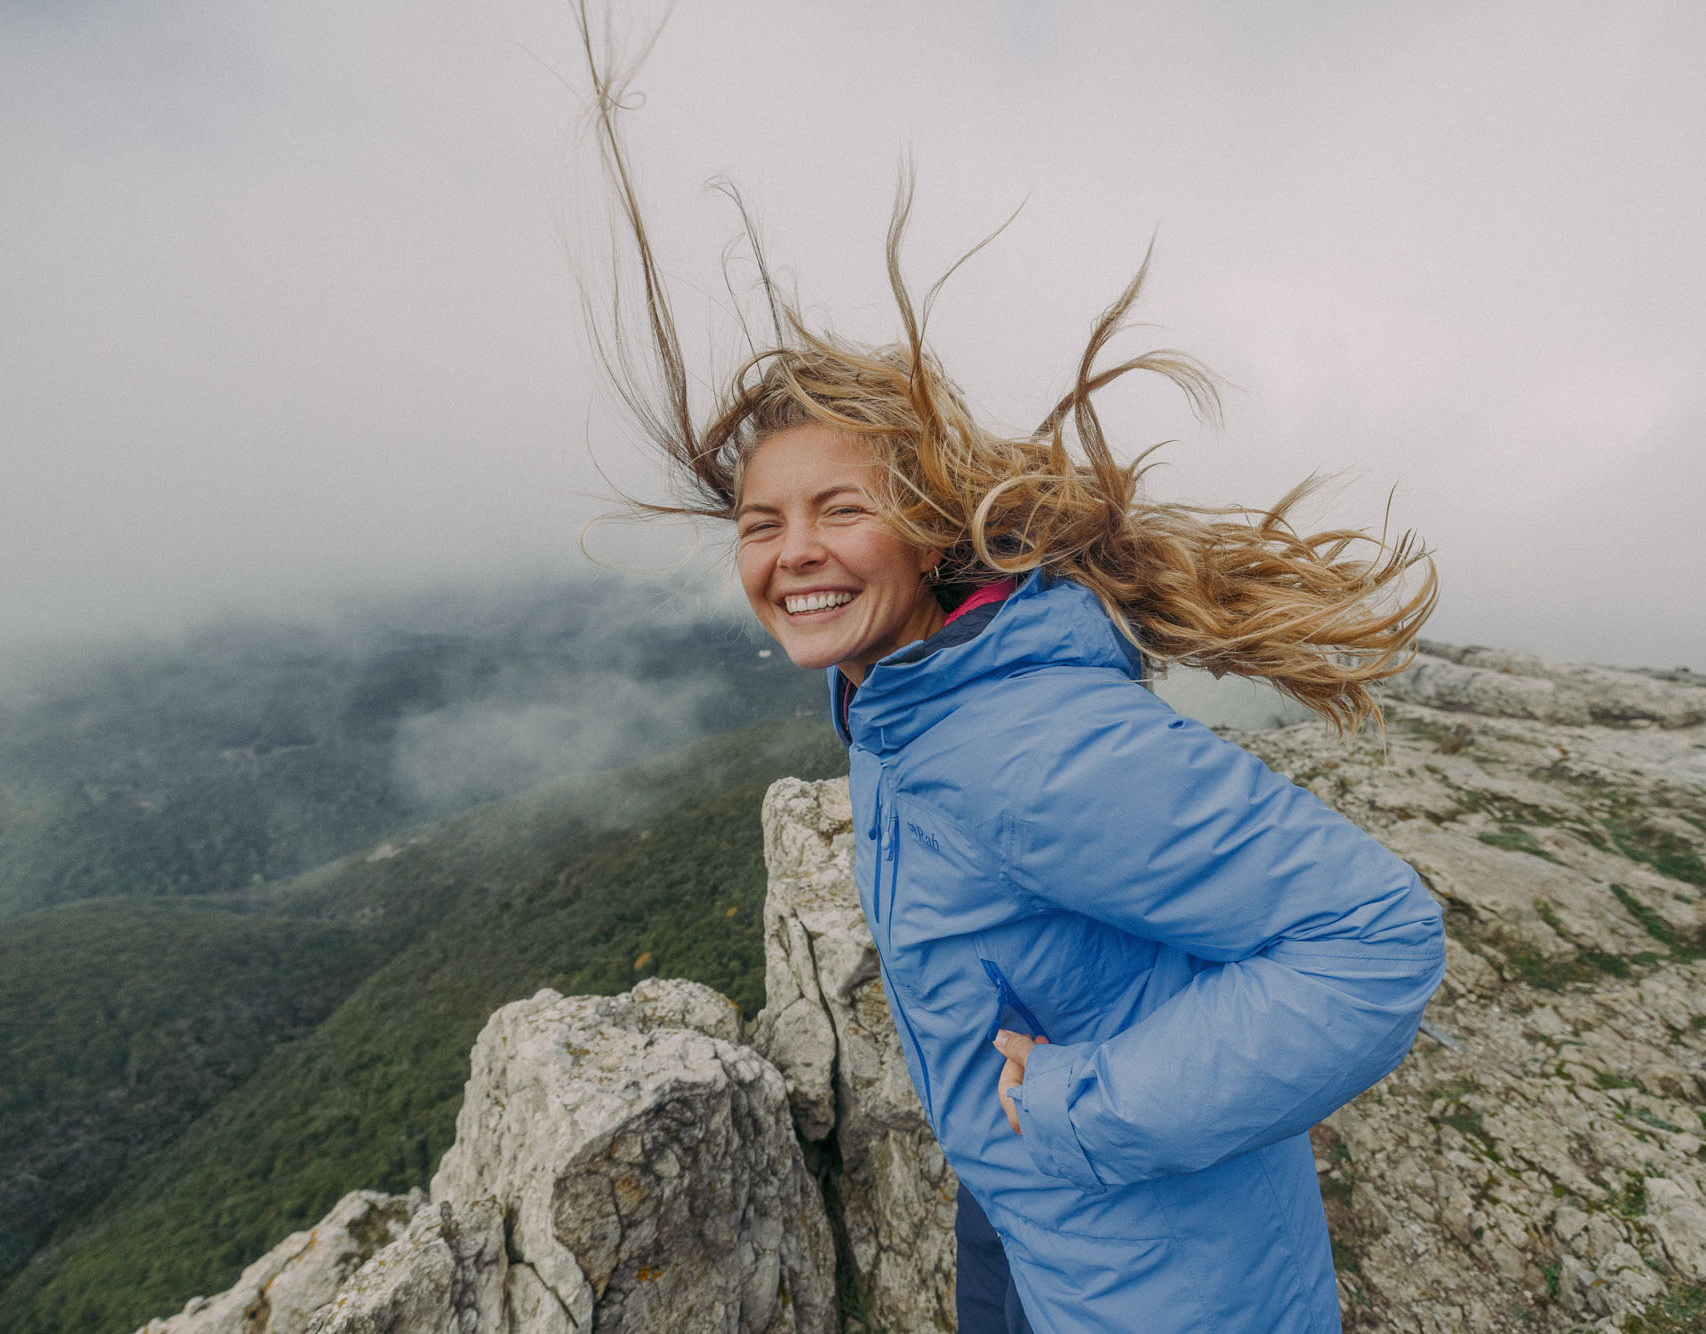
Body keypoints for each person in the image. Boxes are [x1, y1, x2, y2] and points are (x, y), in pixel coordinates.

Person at [573, 17, 1446, 1330]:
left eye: (838, 510)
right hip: (1046, 1224)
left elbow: (1375, 938)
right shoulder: (905, 701)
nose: (793, 552)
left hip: (1162, 1283)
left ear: (928, 531)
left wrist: (1080, 1110)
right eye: (763, 524)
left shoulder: (1023, 743)